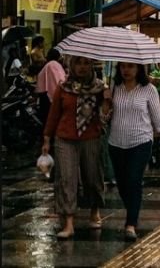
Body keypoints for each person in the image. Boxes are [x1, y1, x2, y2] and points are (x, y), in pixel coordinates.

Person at [41, 56, 108, 239]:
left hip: (91, 137)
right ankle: (68, 222)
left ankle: (94, 211)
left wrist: (107, 101)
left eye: (86, 63)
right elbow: (54, 114)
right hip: (65, 138)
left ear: (92, 66)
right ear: (71, 65)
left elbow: (106, 116)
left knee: (93, 176)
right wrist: (47, 139)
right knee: (66, 178)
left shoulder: (100, 89)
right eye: (78, 63)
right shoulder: (63, 88)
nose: (82, 67)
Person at [107, 61, 160, 240]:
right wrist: (105, 101)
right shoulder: (114, 88)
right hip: (116, 142)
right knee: (122, 184)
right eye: (123, 67)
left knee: (133, 180)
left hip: (141, 141)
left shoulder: (149, 89)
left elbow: (157, 116)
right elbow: (106, 114)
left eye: (130, 66)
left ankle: (130, 224)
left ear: (138, 69)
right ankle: (133, 209)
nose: (126, 70)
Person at [35, 48, 66, 128]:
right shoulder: (53, 65)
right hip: (49, 96)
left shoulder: (51, 65)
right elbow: (58, 80)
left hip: (46, 95)